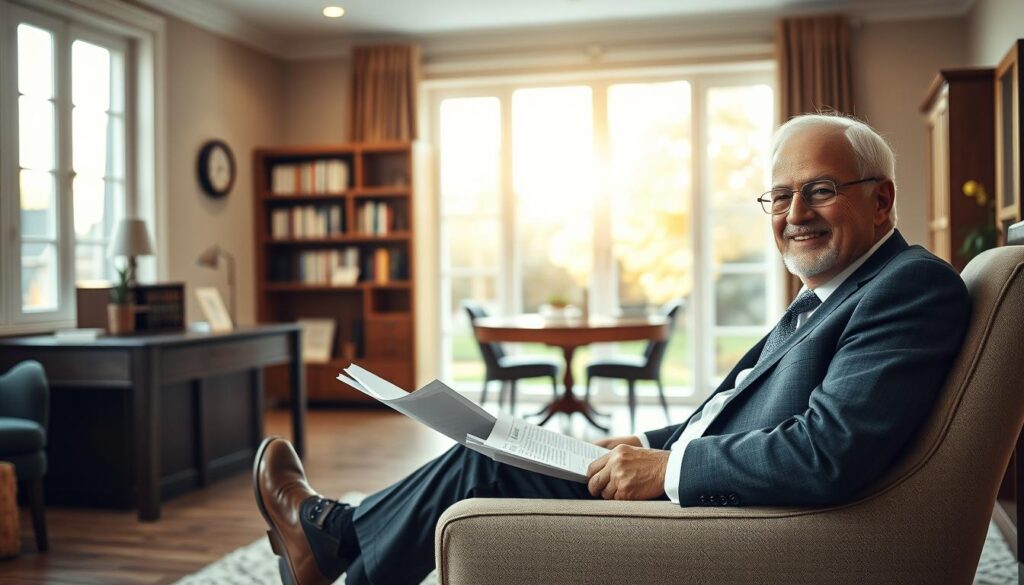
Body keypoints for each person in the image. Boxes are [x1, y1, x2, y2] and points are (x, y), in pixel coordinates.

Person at [253, 112, 971, 585]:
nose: (792, 215)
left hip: (738, 516)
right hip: (714, 485)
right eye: (778, 197)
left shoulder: (908, 287)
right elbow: (743, 411)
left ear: (883, 200)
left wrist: (668, 466)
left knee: (485, 463)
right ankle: (333, 541)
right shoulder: (836, 290)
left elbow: (829, 451)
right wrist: (647, 439)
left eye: (818, 190)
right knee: (495, 446)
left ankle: (330, 541)